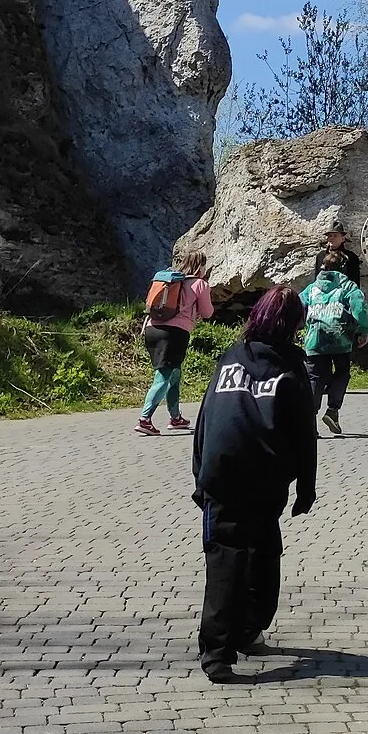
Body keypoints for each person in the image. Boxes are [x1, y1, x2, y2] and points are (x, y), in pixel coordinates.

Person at [190, 286, 316, 680]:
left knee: (228, 558)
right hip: (263, 478)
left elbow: (205, 419)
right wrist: (306, 487)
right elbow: (304, 434)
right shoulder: (292, 369)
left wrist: (200, 476)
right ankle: (233, 640)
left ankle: (222, 648)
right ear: (294, 326)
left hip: (221, 476)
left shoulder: (228, 359)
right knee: (256, 555)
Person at [135, 250, 212, 435]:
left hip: (152, 329)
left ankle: (175, 417)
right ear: (201, 265)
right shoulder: (199, 283)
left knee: (174, 373)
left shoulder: (171, 281)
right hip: (174, 333)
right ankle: (145, 419)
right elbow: (208, 312)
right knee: (163, 376)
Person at [301, 230, 368, 436]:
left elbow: (297, 305)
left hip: (315, 340)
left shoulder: (312, 288)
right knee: (341, 373)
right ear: (342, 268)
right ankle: (332, 410)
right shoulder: (348, 286)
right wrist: (363, 330)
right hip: (340, 339)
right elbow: (359, 308)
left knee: (315, 378)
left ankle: (308, 423)